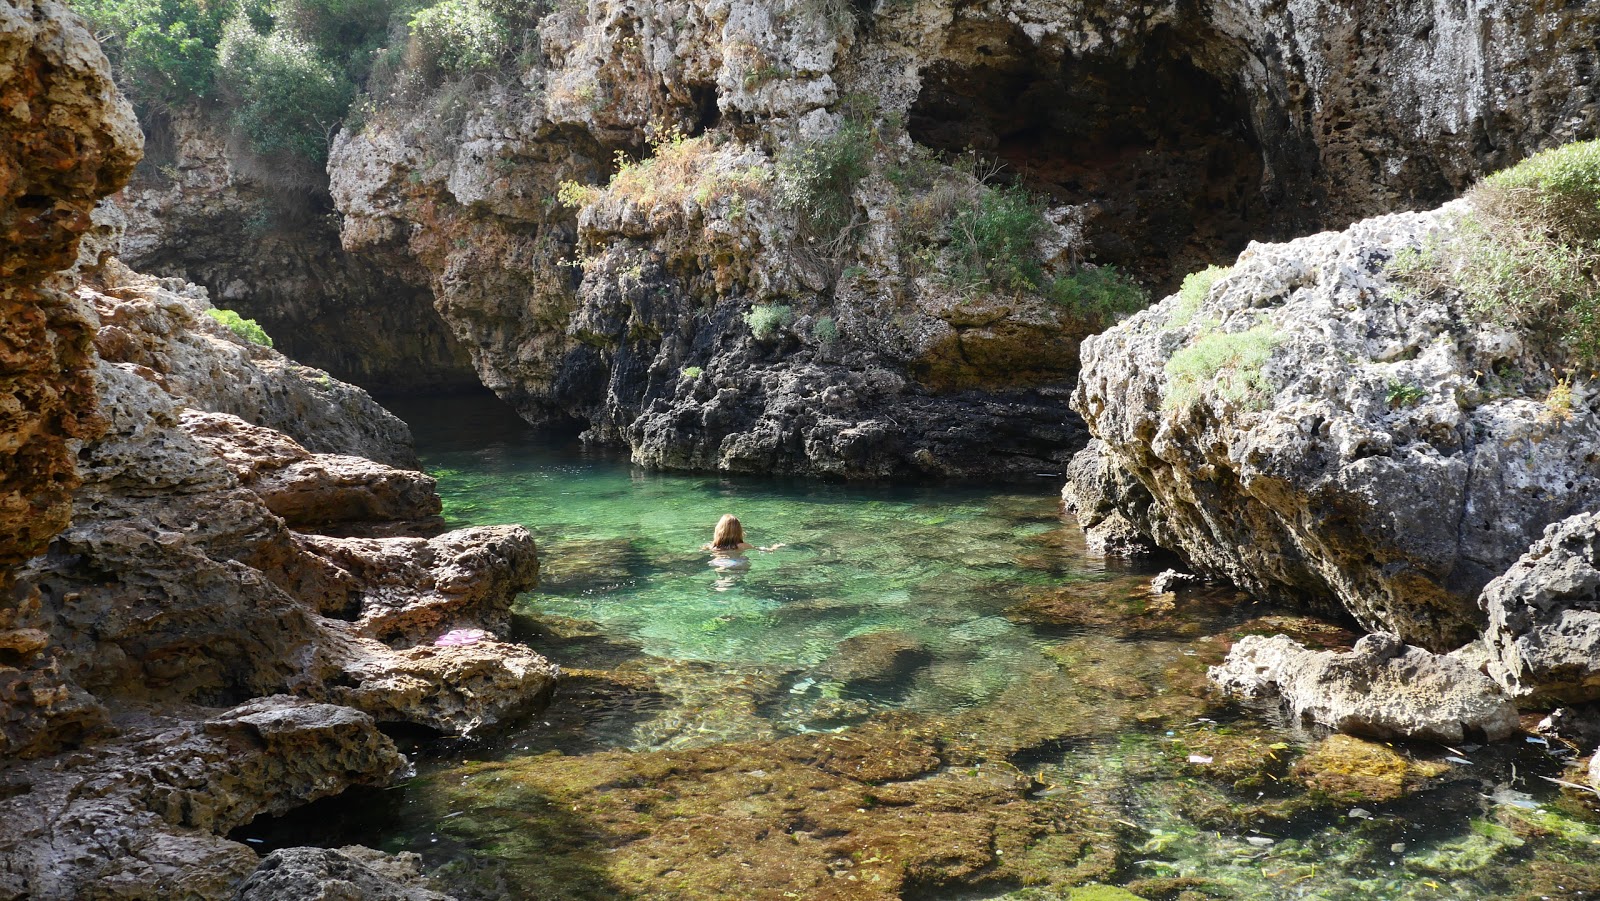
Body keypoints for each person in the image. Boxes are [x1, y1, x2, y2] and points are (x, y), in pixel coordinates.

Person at [703, 514, 783, 568]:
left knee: (722, 571)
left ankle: (723, 579)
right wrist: (775, 547)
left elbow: (702, 551)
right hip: (735, 563)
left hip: (718, 562)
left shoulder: (712, 546)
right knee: (744, 559)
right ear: (738, 531)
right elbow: (764, 550)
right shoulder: (742, 545)